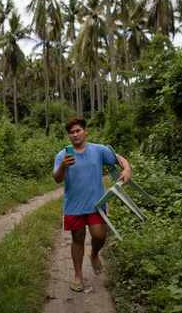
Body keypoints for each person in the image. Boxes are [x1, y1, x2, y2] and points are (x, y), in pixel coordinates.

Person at [53, 117, 132, 293]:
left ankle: (94, 254)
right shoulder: (62, 155)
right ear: (69, 136)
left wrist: (127, 169)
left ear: (85, 131)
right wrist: (63, 166)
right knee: (77, 238)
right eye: (71, 132)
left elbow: (120, 159)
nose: (75, 135)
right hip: (73, 206)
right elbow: (57, 179)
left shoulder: (98, 150)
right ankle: (78, 275)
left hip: (96, 204)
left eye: (78, 131)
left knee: (99, 236)